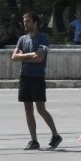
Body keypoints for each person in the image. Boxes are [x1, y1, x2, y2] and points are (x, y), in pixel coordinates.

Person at [13, 12, 62, 150]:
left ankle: (56, 135)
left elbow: (40, 58)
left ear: (35, 23)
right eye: (24, 21)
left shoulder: (43, 38)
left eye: (27, 21)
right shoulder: (22, 39)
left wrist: (23, 56)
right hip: (24, 77)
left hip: (37, 77)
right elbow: (14, 57)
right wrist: (30, 55)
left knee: (40, 109)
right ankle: (34, 140)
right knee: (28, 110)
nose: (25, 23)